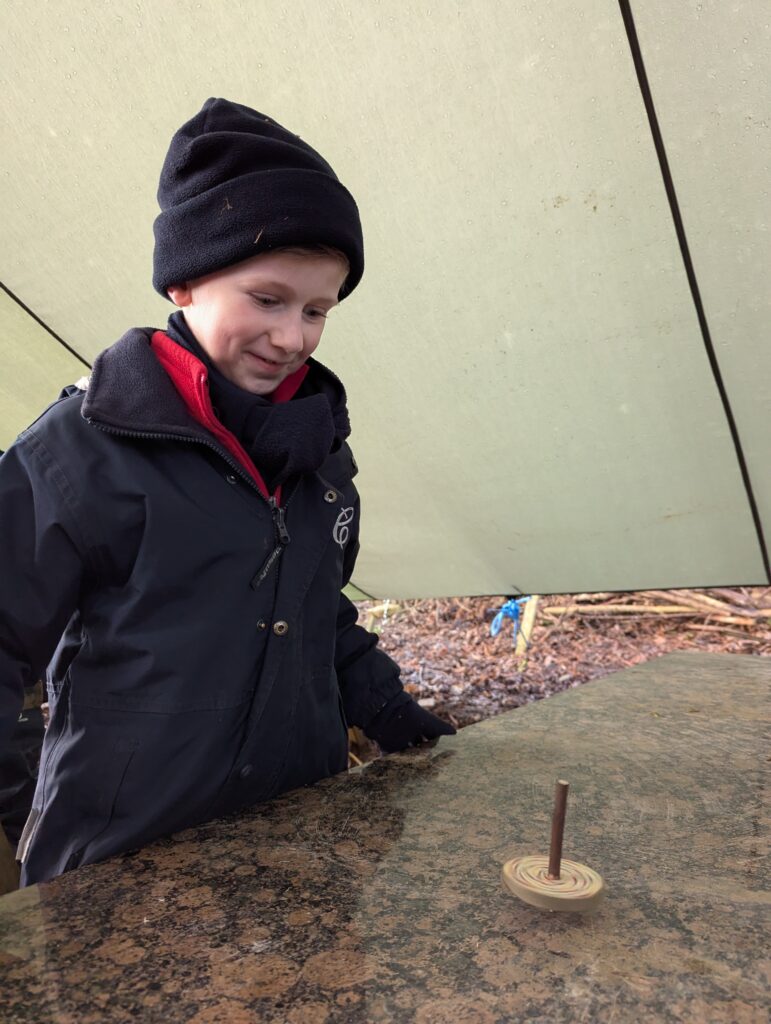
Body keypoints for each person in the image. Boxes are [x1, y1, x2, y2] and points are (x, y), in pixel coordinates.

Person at [0, 97, 454, 887]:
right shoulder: (78, 452)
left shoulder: (315, 444)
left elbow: (315, 602)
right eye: (268, 299)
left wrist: (385, 709)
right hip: (128, 855)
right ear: (183, 282)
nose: (293, 338)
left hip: (299, 832)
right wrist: (23, 802)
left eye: (319, 310)